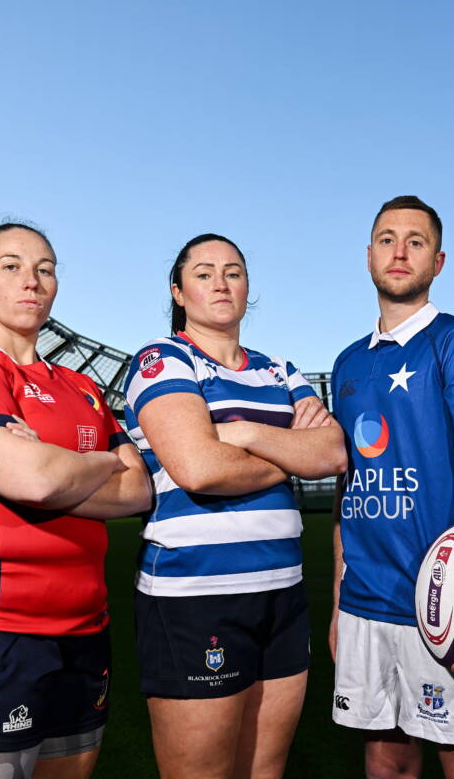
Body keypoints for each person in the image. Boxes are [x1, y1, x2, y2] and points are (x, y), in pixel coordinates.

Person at [0, 222, 153, 779]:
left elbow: (139, 489)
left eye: (45, 268)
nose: (31, 281)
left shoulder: (82, 388)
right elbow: (33, 481)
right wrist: (102, 461)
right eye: (10, 266)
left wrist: (60, 465)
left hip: (85, 634)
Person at [122, 233, 346, 779]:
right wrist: (290, 453)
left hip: (283, 595)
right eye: (203, 273)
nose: (221, 282)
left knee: (265, 771)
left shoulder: (279, 370)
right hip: (196, 597)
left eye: (233, 271)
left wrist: (241, 431)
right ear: (178, 291)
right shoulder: (162, 360)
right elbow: (200, 469)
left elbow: (334, 451)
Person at [329, 196, 454, 779]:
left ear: (438, 261)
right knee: (386, 759)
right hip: (365, 601)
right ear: (368, 256)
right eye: (387, 239)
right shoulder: (347, 363)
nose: (399, 251)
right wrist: (341, 601)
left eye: (415, 241)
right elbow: (347, 493)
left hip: (446, 599)